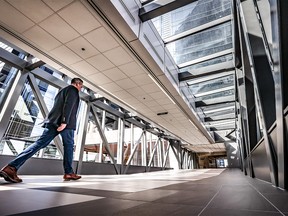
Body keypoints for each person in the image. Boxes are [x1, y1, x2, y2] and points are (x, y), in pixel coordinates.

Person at [0, 78, 84, 183]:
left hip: (52, 121)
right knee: (69, 146)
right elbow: (68, 105)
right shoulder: (73, 90)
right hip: (65, 124)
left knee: (39, 144)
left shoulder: (61, 92)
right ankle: (69, 172)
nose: (81, 88)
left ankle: (11, 167)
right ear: (77, 84)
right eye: (81, 86)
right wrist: (64, 122)